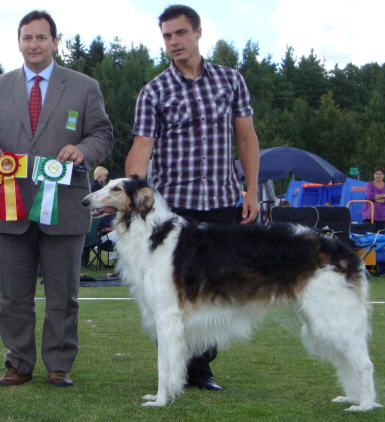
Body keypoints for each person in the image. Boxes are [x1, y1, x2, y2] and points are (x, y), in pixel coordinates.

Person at [125, 5, 259, 391]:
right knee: (169, 293)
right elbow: (142, 147)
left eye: (180, 33)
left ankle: (201, 371)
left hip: (221, 203)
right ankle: (172, 366)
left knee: (213, 290)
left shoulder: (231, 80)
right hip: (174, 210)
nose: (173, 42)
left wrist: (250, 190)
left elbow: (246, 138)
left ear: (199, 32)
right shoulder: (154, 91)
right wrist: (135, 194)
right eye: (167, 36)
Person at [0, 10, 113, 387]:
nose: (34, 44)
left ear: (55, 41)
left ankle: (59, 365)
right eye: (27, 37)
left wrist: (84, 150)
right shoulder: (2, 86)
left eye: (41, 38)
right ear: (18, 42)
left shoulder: (84, 86)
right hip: (10, 209)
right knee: (13, 295)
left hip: (65, 205)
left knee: (64, 294)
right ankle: (17, 363)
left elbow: (102, 134)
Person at [362, 166, 385, 232]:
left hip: (384, 216)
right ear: (374, 175)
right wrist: (384, 196)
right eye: (376, 173)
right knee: (369, 236)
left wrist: (375, 198)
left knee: (381, 237)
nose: (378, 175)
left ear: (384, 175)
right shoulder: (369, 184)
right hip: (370, 215)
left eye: (380, 174)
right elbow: (369, 196)